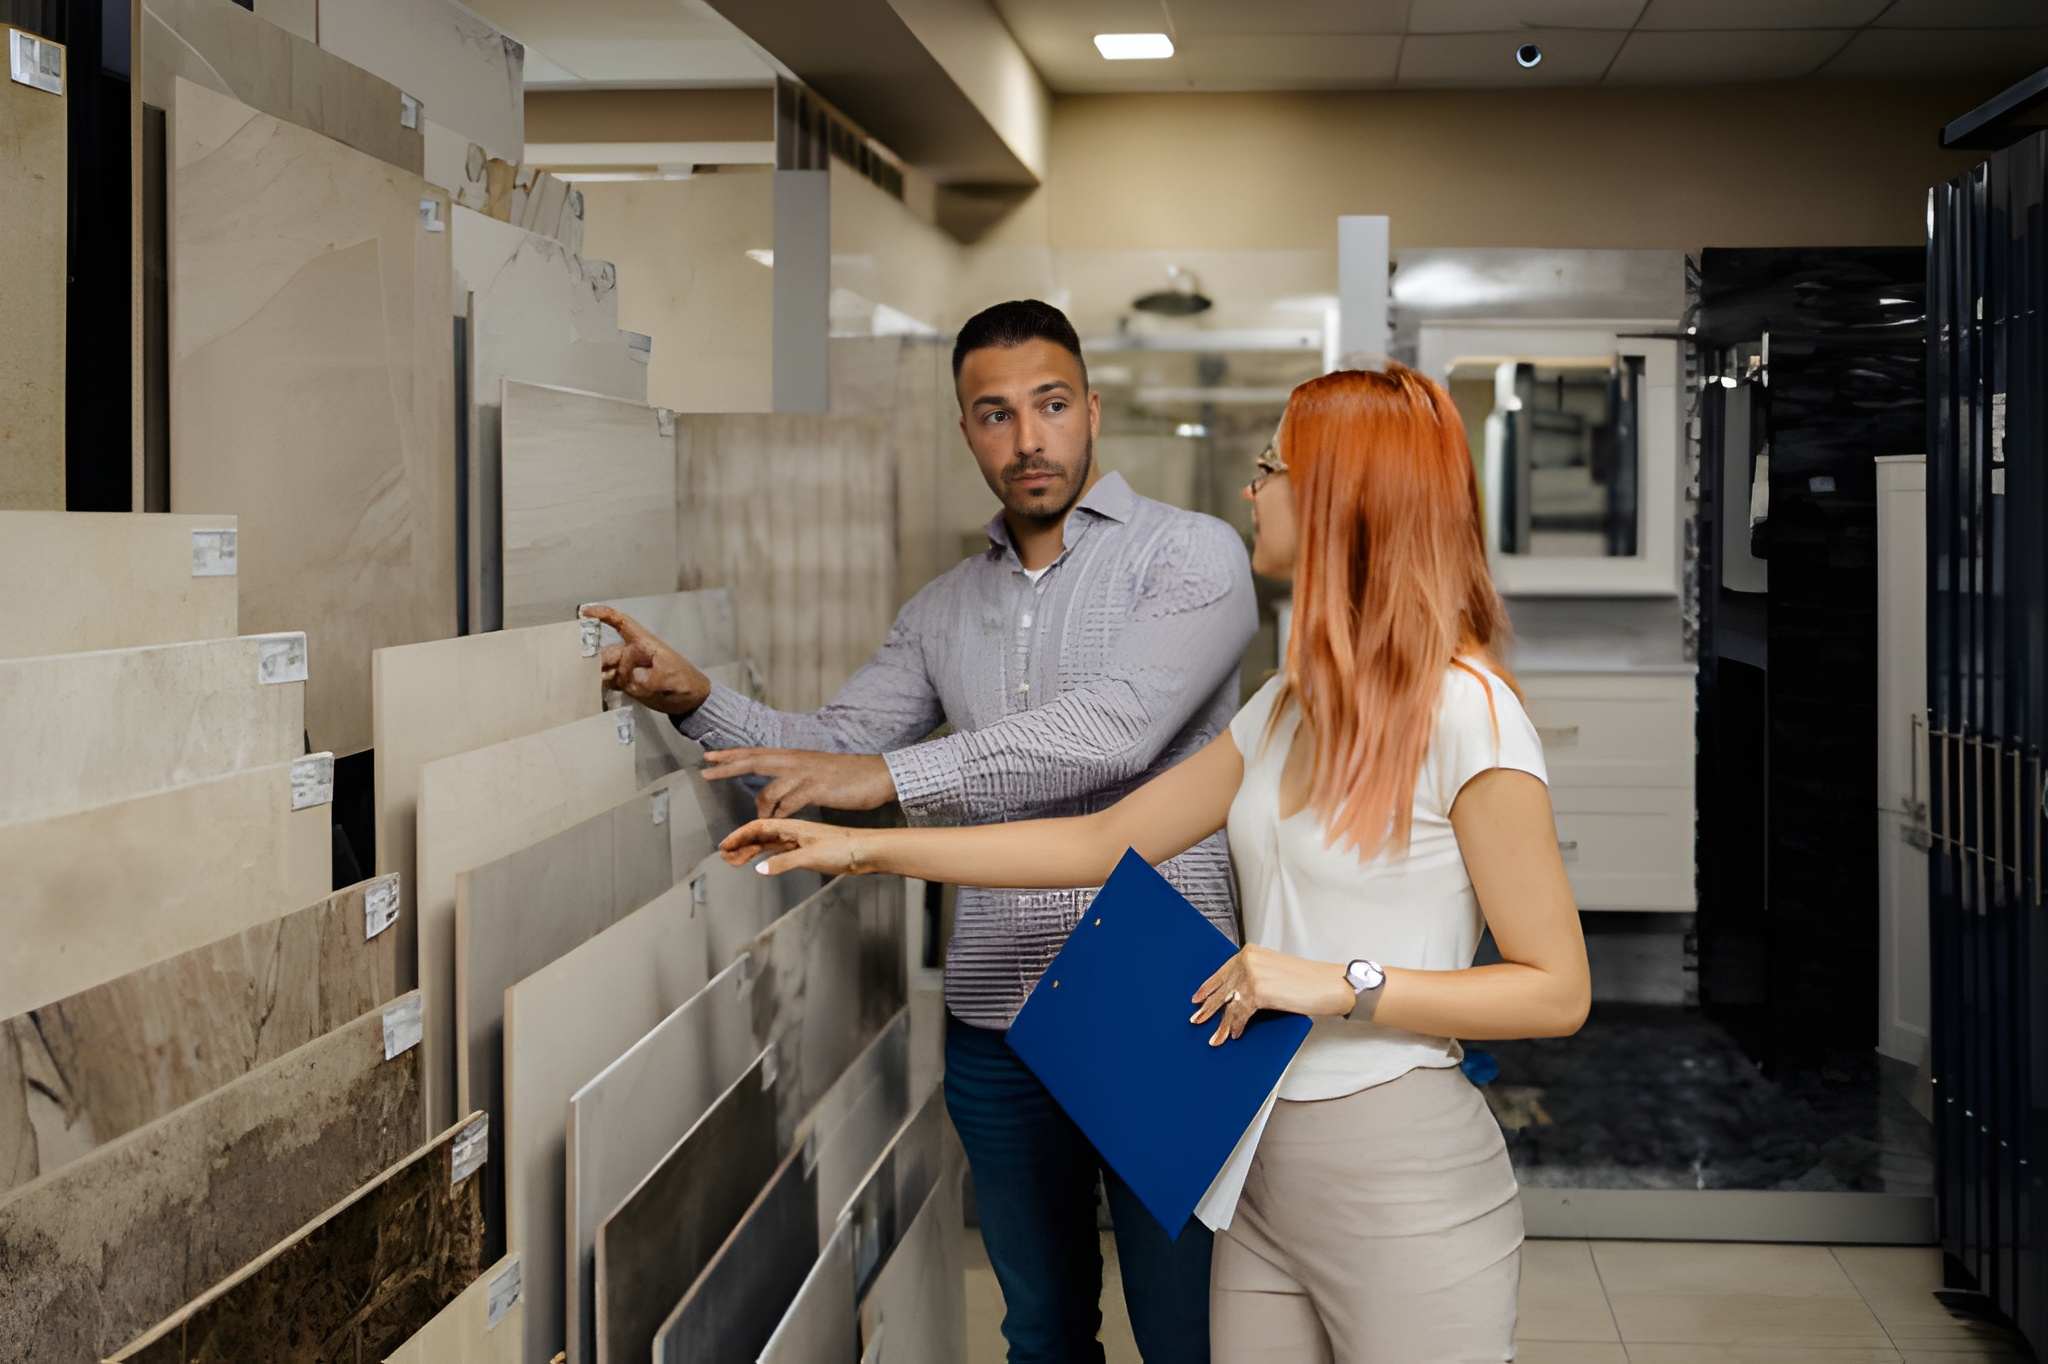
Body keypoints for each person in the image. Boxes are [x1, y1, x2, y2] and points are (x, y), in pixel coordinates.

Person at [718, 364, 1593, 1364]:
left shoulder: (1469, 712)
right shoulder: (1283, 709)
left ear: (1341, 499)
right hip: (1255, 1150)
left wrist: (1334, 982)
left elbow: (1554, 988)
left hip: (1396, 1153)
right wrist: (860, 847)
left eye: (1271, 466)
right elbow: (1097, 842)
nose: (1249, 487)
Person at [585, 299, 1256, 1363]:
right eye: (993, 414)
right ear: (965, 431)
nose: (1026, 438)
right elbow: (835, 745)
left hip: (1164, 998)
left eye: (1047, 406)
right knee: (1038, 1328)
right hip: (997, 1018)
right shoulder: (941, 607)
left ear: (1091, 409)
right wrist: (693, 697)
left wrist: (889, 776)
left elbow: (1109, 736)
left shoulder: (1193, 558)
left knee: (1189, 1331)